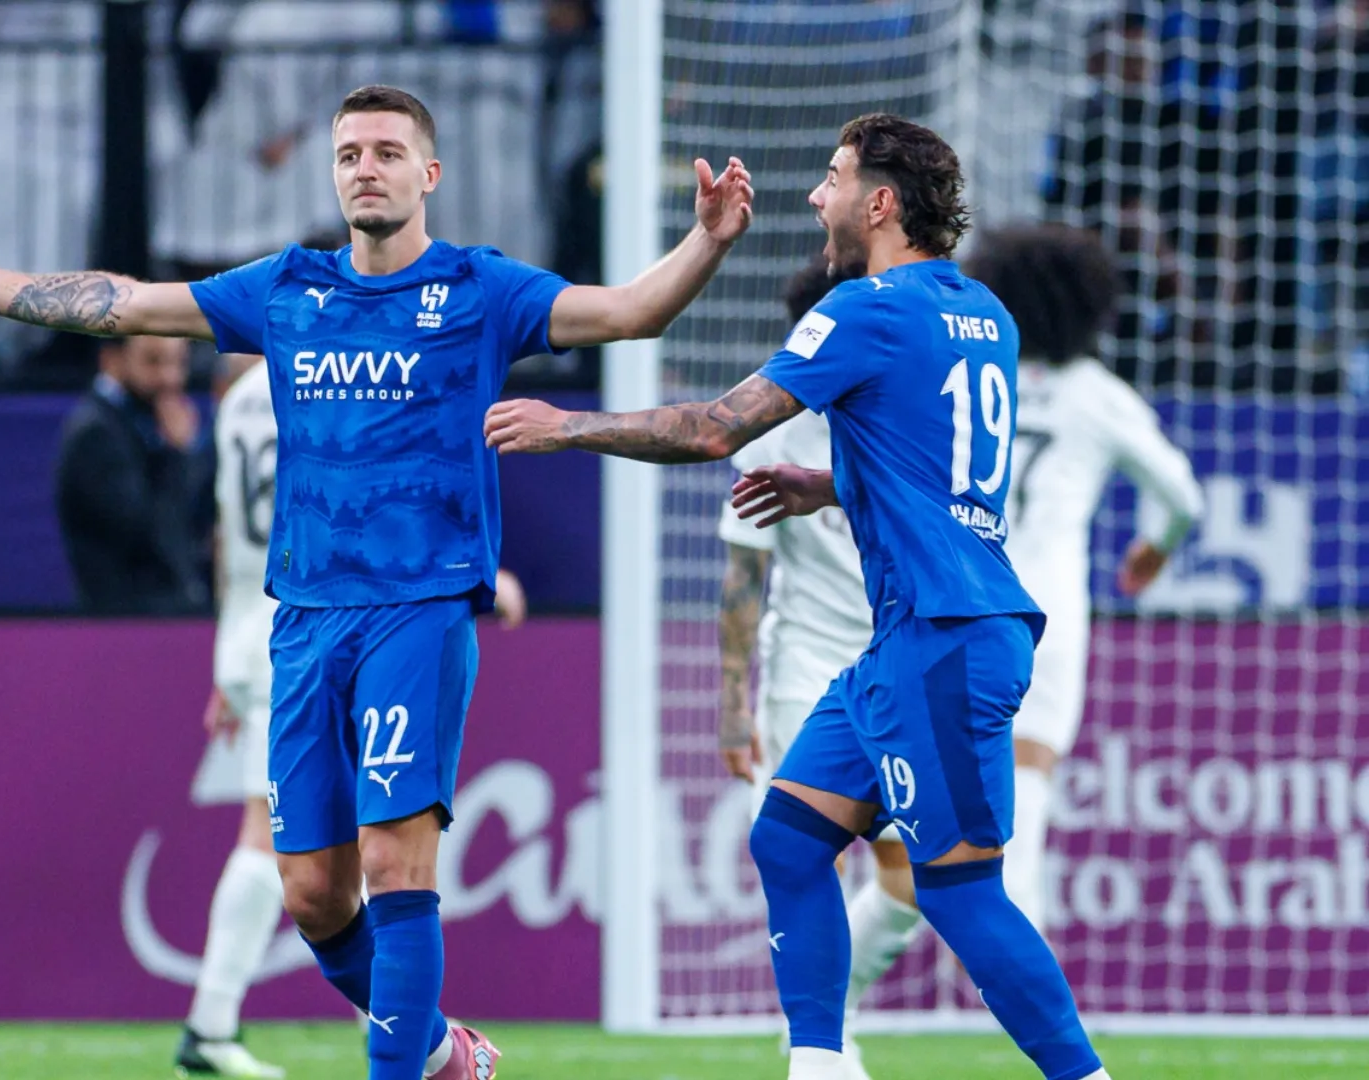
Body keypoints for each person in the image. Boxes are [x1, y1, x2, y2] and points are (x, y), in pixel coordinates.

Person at [0, 82, 752, 1080]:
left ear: (429, 173)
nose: (366, 167)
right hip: (303, 621)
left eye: (386, 151)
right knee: (314, 894)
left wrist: (705, 242)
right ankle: (442, 1049)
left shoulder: (481, 291)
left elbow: (629, 311)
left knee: (395, 864)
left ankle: (398, 1070)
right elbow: (126, 304)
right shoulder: (286, 290)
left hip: (418, 608)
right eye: (350, 153)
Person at [485, 114, 1110, 1080]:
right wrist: (833, 486)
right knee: (788, 837)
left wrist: (568, 424)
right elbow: (938, 470)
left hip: (943, 636)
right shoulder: (987, 314)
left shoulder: (864, 310)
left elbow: (712, 430)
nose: (817, 199)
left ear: (881, 202)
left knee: (960, 893)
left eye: (831, 178)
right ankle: (818, 1065)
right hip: (920, 634)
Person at [181, 353, 530, 1078]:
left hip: (254, 618)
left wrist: (227, 654)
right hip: (317, 611)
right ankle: (212, 1022)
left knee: (365, 856)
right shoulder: (322, 380)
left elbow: (226, 530)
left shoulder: (239, 399)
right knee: (291, 851)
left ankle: (406, 1043)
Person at [958, 223, 1202, 934]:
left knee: (942, 773)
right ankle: (1008, 951)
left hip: (955, 592)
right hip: (1043, 608)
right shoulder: (1097, 396)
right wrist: (1156, 546)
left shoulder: (973, 381)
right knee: (1025, 773)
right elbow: (1183, 495)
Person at [717, 256, 921, 1079]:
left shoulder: (909, 422)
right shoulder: (775, 427)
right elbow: (742, 579)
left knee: (909, 892)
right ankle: (820, 1050)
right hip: (806, 673)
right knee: (813, 863)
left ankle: (829, 1020)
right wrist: (733, 706)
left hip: (898, 674)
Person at [55, 334, 210, 616]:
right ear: (111, 360)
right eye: (153, 361)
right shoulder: (96, 434)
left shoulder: (146, 425)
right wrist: (178, 454)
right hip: (126, 625)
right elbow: (153, 535)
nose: (171, 378)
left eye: (179, 363)